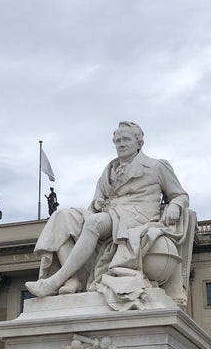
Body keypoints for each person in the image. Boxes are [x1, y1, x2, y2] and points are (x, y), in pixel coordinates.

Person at [26, 121, 190, 309]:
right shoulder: (109, 170)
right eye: (117, 140)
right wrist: (96, 203)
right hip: (109, 215)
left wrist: (175, 206)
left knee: (94, 223)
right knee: (62, 217)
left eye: (126, 139)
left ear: (139, 143)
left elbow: (181, 195)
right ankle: (72, 279)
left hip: (136, 216)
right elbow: (98, 198)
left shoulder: (156, 166)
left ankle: (54, 282)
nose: (121, 143)